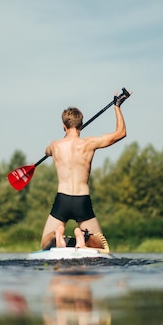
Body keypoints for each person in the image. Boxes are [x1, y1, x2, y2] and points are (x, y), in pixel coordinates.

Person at [40, 92, 129, 251]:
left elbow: (46, 151)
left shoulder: (55, 145)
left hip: (62, 200)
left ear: (63, 126)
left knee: (46, 244)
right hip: (82, 200)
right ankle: (84, 237)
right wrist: (117, 107)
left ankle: (59, 237)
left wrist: (50, 151)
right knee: (101, 246)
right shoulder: (89, 143)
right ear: (81, 124)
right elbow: (121, 133)